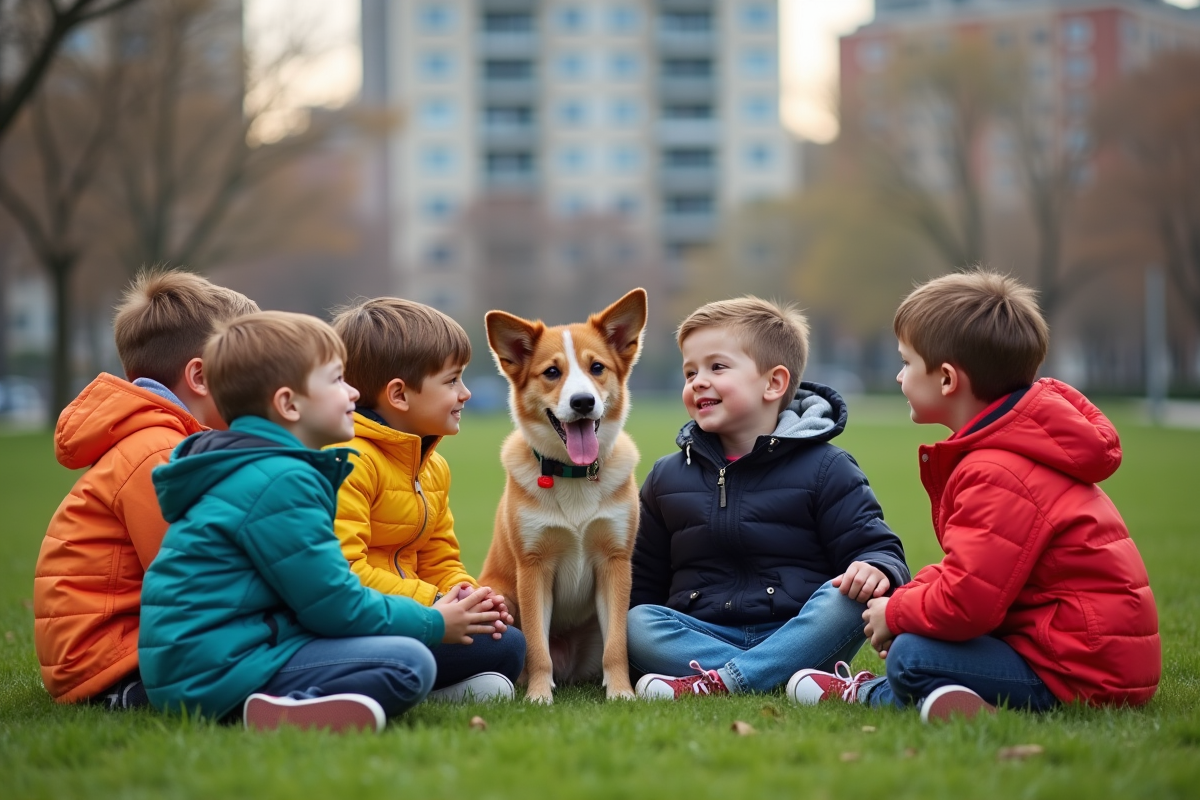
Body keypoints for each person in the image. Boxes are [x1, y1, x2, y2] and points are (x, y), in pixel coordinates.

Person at [788, 270, 1161, 722]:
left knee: (912, 655)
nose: (899, 375)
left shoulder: (997, 470)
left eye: (907, 363)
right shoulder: (1012, 449)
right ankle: (940, 695)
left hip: (1075, 673)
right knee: (923, 639)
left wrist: (899, 613)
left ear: (947, 379)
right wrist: (911, 595)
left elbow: (969, 602)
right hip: (1091, 660)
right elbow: (972, 570)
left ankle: (877, 696)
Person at [139, 311, 502, 732]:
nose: (352, 392)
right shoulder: (278, 480)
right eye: (335, 380)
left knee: (450, 650)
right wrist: (435, 621)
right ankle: (275, 711)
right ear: (288, 404)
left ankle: (390, 694)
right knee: (410, 660)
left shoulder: (269, 468)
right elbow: (336, 604)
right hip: (217, 672)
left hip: (227, 658)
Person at [628, 297, 910, 699]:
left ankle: (721, 682)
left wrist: (876, 567)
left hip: (801, 630)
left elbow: (879, 547)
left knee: (845, 598)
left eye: (717, 367)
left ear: (774, 383)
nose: (697, 382)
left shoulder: (827, 467)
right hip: (701, 631)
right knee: (637, 622)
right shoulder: (666, 476)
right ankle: (770, 674)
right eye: (689, 372)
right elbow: (644, 579)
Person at [33, 270, 258, 709]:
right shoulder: (157, 451)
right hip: (111, 660)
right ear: (202, 378)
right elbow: (199, 572)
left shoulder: (162, 440)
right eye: (254, 370)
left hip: (129, 641)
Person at [330, 298, 524, 702]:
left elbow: (440, 557)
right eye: (452, 381)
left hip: (417, 613)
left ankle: (422, 686)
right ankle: (401, 683)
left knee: (506, 642)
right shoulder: (349, 460)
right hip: (360, 620)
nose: (466, 393)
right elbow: (343, 571)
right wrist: (434, 605)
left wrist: (472, 598)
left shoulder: (431, 468)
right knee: (501, 649)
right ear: (399, 395)